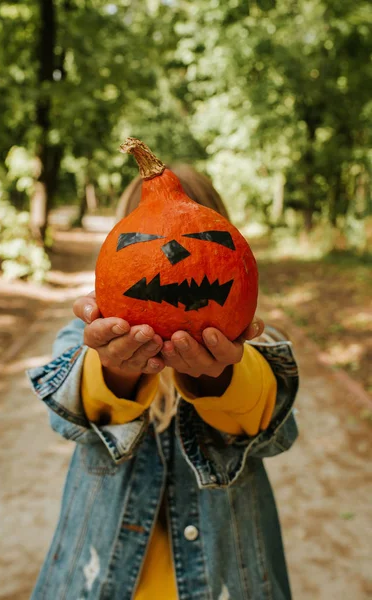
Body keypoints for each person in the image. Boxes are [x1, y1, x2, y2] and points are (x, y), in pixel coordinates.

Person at [27, 165, 299, 600]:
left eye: (202, 238)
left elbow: (277, 428)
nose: (173, 255)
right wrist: (118, 371)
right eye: (140, 240)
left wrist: (222, 375)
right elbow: (68, 415)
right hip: (98, 580)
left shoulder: (257, 343)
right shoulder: (86, 337)